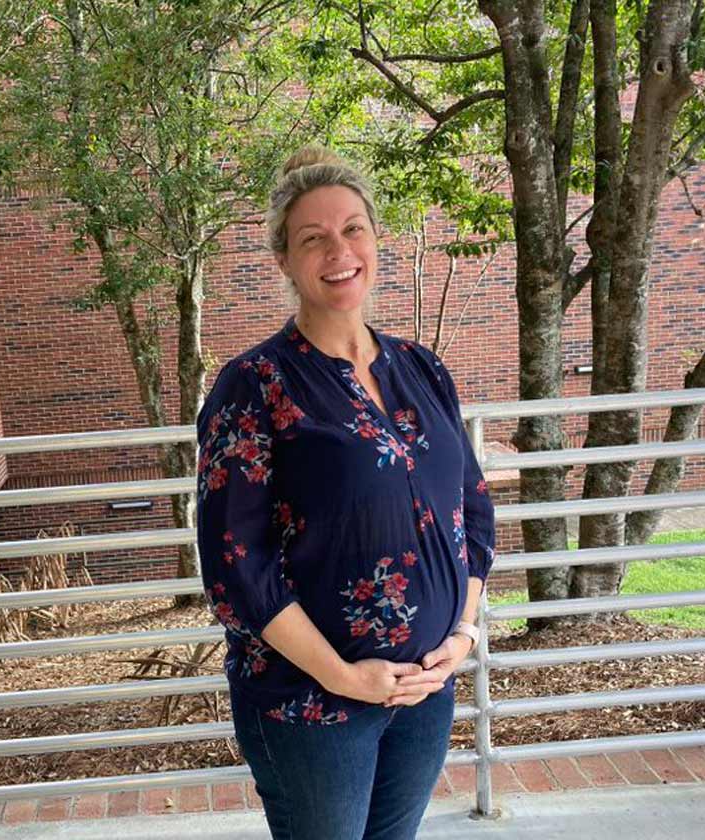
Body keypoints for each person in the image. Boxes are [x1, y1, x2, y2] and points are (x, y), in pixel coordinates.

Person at [196, 145, 496, 840]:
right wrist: (343, 675)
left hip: (424, 691)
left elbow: (472, 515)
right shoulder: (255, 385)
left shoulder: (422, 368)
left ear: (375, 239)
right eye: (313, 238)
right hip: (312, 705)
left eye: (352, 229)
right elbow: (238, 567)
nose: (339, 251)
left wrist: (461, 636)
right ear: (284, 260)